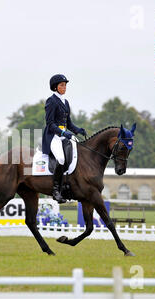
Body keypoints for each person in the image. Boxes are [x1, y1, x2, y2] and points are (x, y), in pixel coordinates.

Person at [42, 74, 86, 203]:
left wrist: (78, 130)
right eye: (62, 85)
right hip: (53, 136)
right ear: (55, 87)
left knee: (77, 151)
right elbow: (50, 124)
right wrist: (62, 133)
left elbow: (69, 123)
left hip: (63, 135)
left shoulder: (65, 102)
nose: (64, 87)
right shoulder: (51, 101)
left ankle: (70, 185)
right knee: (61, 158)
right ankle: (56, 190)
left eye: (65, 85)